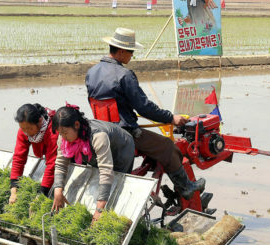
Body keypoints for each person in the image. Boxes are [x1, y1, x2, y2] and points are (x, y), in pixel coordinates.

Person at [85, 27, 205, 200]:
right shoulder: (125, 75)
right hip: (124, 134)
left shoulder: (92, 72)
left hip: (101, 129)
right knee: (168, 147)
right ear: (120, 51)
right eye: (130, 51)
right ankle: (186, 187)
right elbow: (144, 107)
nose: (132, 56)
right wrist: (172, 118)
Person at [50, 104, 135, 223]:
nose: (63, 137)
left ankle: (111, 218)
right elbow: (60, 163)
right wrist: (58, 190)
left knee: (117, 182)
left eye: (65, 132)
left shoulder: (98, 136)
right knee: (96, 173)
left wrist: (99, 210)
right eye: (60, 133)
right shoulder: (64, 138)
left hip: (121, 149)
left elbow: (106, 170)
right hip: (96, 150)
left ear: (77, 125)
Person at [10, 103, 58, 204]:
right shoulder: (24, 130)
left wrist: (42, 192)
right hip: (52, 158)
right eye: (23, 129)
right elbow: (19, 157)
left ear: (40, 121)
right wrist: (14, 189)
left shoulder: (53, 131)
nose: (26, 132)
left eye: (29, 129)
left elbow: (52, 164)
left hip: (71, 155)